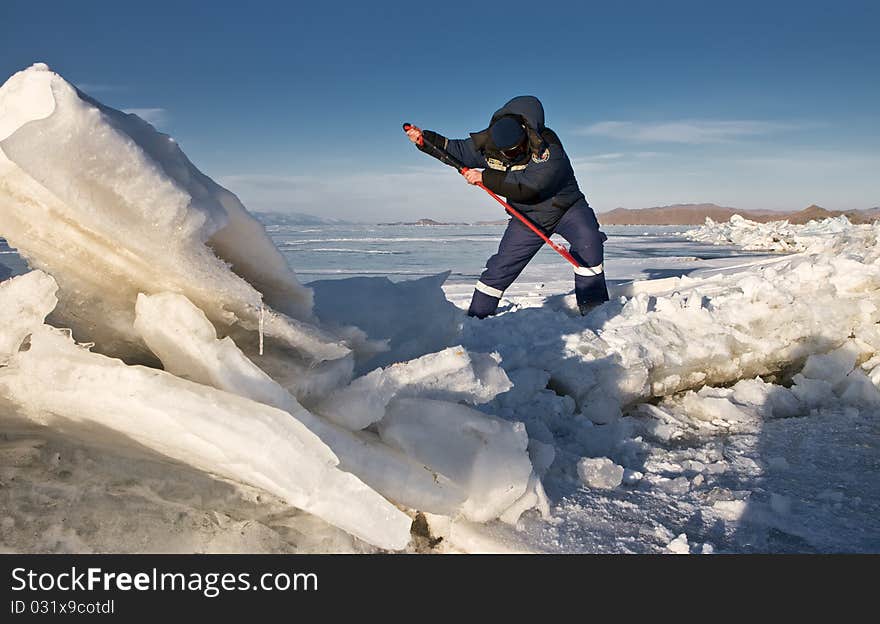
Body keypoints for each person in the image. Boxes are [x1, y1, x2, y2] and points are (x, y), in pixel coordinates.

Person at [405, 95, 609, 318]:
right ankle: (477, 320)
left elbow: (530, 186)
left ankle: (594, 311)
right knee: (499, 270)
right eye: (504, 151)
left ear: (526, 134)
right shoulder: (489, 143)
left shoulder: (548, 147)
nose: (508, 155)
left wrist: (485, 178)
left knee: (589, 244)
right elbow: (456, 150)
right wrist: (425, 140)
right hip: (527, 218)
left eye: (513, 150)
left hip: (567, 209)